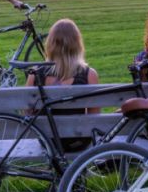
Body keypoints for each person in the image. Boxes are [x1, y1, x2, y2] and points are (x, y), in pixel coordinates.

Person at [26, 19, 99, 151]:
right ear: (77, 44)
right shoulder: (89, 74)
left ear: (50, 44)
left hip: (47, 140)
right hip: (78, 140)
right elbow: (93, 117)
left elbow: (27, 111)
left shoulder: (35, 73)